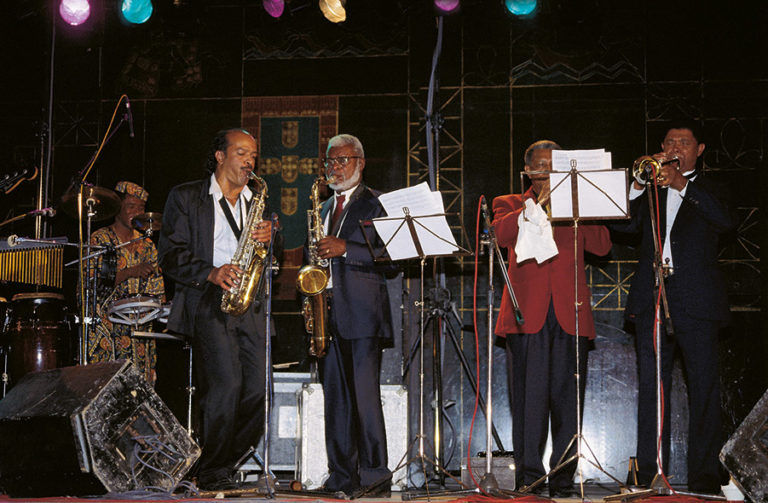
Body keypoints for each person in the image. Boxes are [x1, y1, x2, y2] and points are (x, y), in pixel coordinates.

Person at [616, 122, 737, 494]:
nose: (675, 148)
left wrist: (682, 185)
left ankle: (704, 476)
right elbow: (623, 228)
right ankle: (650, 474)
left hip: (697, 302)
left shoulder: (712, 188)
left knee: (703, 389)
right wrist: (639, 185)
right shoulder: (650, 190)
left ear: (699, 149)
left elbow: (726, 222)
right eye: (669, 142)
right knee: (652, 390)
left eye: (683, 142)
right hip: (651, 297)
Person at [158, 128, 279, 491]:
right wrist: (210, 272)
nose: (249, 161)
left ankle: (224, 460)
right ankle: (213, 472)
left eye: (254, 155)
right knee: (226, 385)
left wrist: (271, 238)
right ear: (220, 156)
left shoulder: (256, 203)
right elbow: (170, 254)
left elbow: (271, 258)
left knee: (259, 390)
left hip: (250, 304)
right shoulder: (186, 196)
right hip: (210, 300)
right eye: (242, 153)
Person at [492, 140, 611, 498]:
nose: (547, 172)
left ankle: (562, 478)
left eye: (554, 165)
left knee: (567, 404)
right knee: (528, 404)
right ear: (528, 170)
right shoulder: (509, 203)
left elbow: (602, 245)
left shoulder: (578, 204)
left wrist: (576, 209)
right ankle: (529, 477)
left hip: (570, 313)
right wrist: (536, 204)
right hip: (525, 316)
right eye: (541, 166)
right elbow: (499, 235)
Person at [309, 134, 393, 497]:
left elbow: (390, 254)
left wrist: (345, 249)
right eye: (330, 161)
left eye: (342, 160)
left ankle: (374, 477)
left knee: (365, 401)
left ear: (361, 162)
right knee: (337, 403)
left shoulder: (377, 203)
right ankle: (340, 478)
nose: (335, 168)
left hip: (362, 314)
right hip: (326, 314)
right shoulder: (322, 209)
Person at [88, 180, 164, 384]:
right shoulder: (101, 239)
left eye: (141, 208)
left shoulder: (147, 245)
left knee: (139, 389)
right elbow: (92, 284)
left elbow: (157, 292)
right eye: (131, 206)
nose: (137, 212)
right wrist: (131, 272)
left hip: (139, 332)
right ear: (117, 208)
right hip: (108, 329)